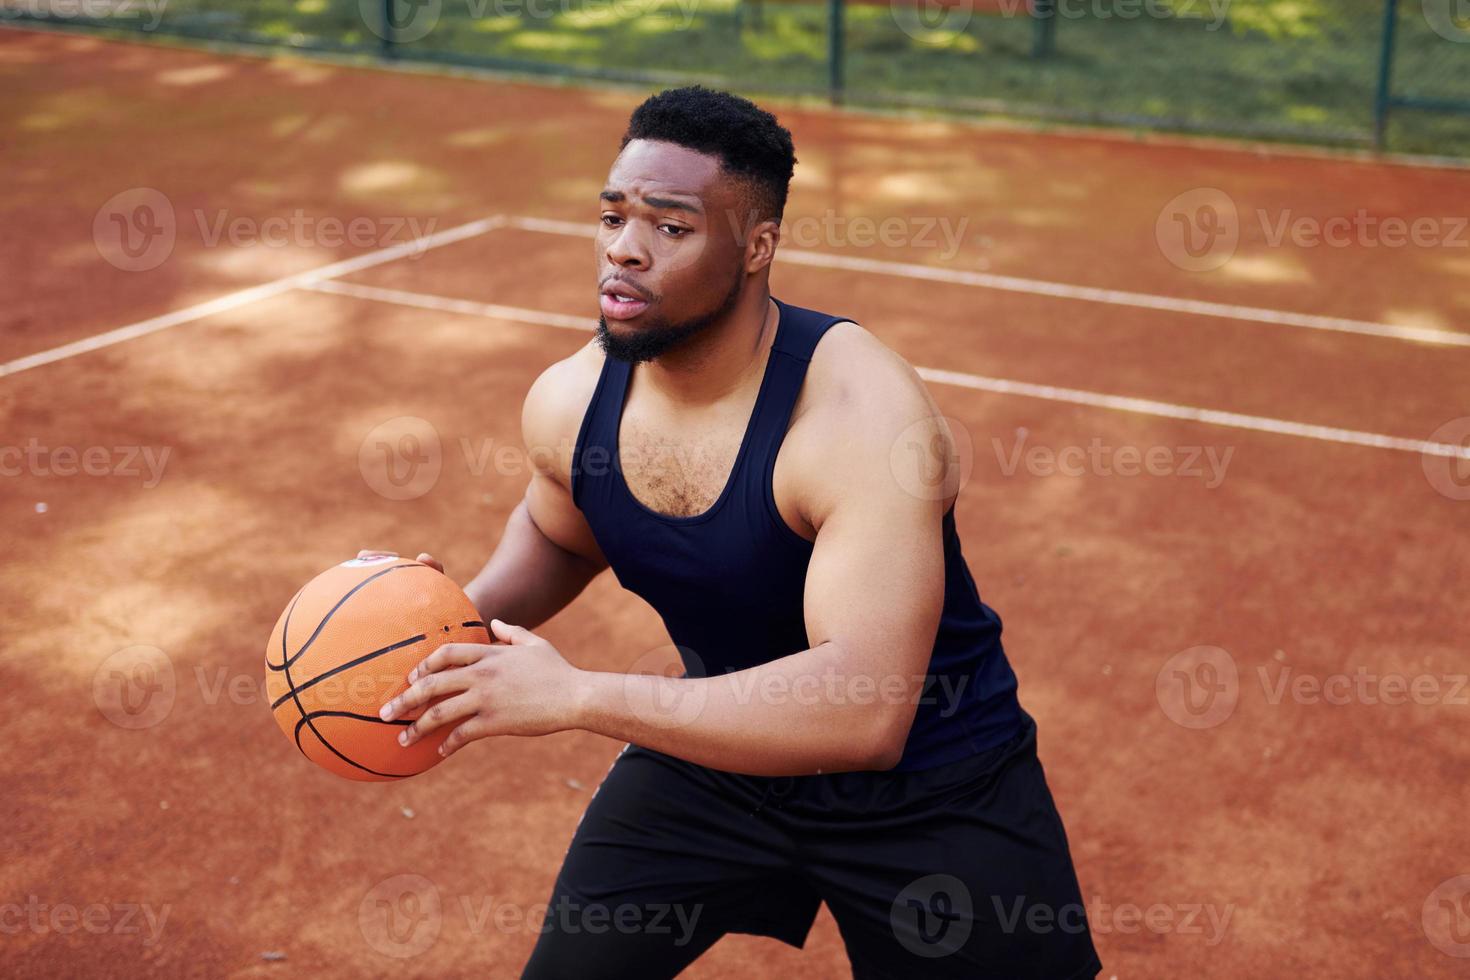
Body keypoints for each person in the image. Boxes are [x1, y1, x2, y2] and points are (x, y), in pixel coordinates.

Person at [369, 86, 1101, 979]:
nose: (624, 249)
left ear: (757, 247)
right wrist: (445, 621)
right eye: (612, 216)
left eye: (671, 228)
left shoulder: (859, 420)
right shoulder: (572, 398)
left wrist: (577, 697)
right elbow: (562, 533)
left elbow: (865, 708)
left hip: (933, 786)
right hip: (717, 752)